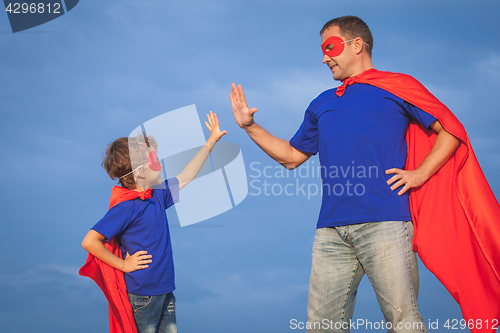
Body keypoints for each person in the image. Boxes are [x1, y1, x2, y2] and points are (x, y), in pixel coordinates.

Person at [230, 16, 500, 333]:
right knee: (322, 327)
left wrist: (419, 174)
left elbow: (451, 131)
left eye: (330, 47)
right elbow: (291, 157)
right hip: (330, 233)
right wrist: (250, 127)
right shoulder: (322, 103)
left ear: (357, 45)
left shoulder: (398, 87)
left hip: (386, 225)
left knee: (404, 323)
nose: (324, 57)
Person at [81, 111, 226, 333]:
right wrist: (123, 265)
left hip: (166, 291)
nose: (160, 163)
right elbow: (90, 241)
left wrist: (210, 142)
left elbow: (187, 176)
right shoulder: (126, 207)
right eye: (155, 160)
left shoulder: (157, 195)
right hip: (142, 296)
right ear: (140, 172)